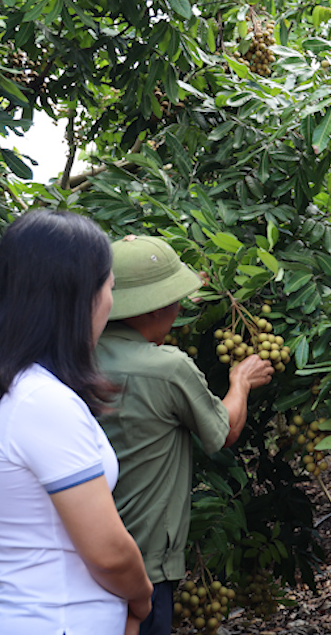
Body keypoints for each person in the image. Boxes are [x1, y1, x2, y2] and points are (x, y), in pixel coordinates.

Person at [0, 209, 153, 635]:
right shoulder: (40, 402)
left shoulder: (7, 390)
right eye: (109, 287)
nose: (110, 302)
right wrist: (142, 597)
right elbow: (109, 552)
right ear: (80, 299)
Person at [95, 235, 273, 635]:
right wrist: (240, 382)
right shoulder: (167, 368)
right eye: (174, 300)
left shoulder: (75, 355)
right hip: (143, 565)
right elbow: (223, 432)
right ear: (156, 307)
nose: (179, 309)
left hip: (85, 556)